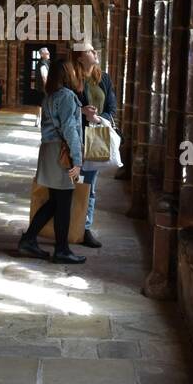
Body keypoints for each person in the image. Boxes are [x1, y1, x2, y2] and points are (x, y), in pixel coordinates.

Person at [18, 57, 87, 264]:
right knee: (63, 202)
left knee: (55, 202)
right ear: (68, 74)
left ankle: (29, 239)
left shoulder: (50, 95)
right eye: (74, 70)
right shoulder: (66, 96)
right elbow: (69, 129)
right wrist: (77, 159)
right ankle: (62, 250)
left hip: (50, 150)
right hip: (61, 152)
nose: (77, 73)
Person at [71, 43, 118, 248]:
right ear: (80, 57)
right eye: (90, 51)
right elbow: (67, 107)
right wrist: (82, 112)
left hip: (96, 139)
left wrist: (98, 118)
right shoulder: (73, 80)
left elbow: (112, 107)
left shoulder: (103, 78)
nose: (95, 53)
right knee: (77, 183)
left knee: (89, 185)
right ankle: (72, 224)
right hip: (78, 140)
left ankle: (85, 227)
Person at [34, 46, 50, 127]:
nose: (48, 54)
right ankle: (40, 121)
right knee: (42, 104)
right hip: (43, 88)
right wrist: (47, 87)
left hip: (40, 88)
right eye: (47, 53)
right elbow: (44, 76)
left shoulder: (42, 62)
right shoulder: (43, 63)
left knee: (40, 104)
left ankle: (38, 120)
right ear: (42, 54)